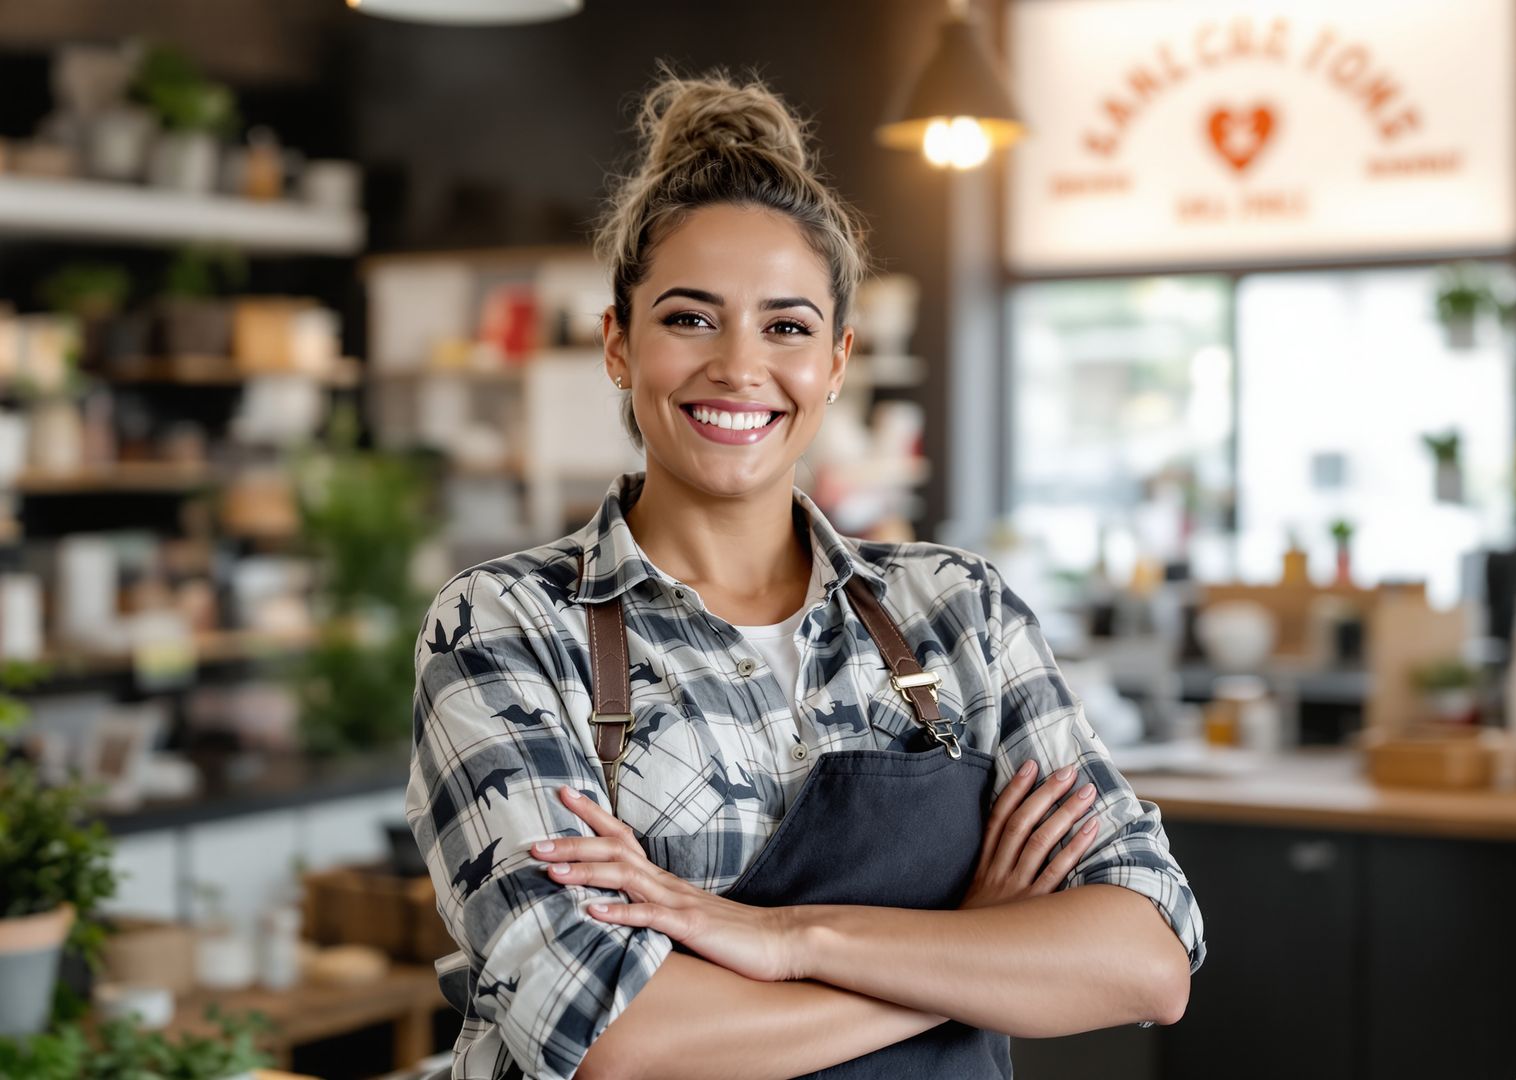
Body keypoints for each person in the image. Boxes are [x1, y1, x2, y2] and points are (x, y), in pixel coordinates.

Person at [406, 71, 1204, 1080]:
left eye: (786, 326)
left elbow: (1146, 957)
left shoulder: (960, 613)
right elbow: (615, 1038)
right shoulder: (508, 628)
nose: (740, 368)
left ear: (837, 360)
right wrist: (968, 953)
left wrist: (794, 945)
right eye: (690, 318)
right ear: (619, 344)